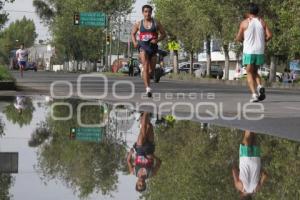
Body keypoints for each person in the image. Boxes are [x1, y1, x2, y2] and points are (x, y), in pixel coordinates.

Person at [235, 3, 272, 102]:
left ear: (248, 12)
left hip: (249, 51)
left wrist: (243, 40)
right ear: (257, 12)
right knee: (255, 71)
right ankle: (260, 86)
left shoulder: (244, 23)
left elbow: (238, 38)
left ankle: (254, 95)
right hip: (260, 50)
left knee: (249, 72)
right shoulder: (262, 22)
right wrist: (263, 41)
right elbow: (269, 35)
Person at [131, 4, 166, 97]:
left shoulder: (156, 23)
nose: (147, 13)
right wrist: (135, 42)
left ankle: (144, 72)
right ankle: (148, 89)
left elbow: (163, 34)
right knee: (146, 66)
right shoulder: (139, 23)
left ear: (151, 12)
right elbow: (133, 33)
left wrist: (157, 40)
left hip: (153, 48)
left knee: (151, 71)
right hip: (143, 46)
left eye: (149, 12)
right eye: (146, 12)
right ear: (143, 13)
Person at [127, 112, 161, 192]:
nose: (141, 183)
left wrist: (130, 153)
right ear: (145, 184)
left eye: (139, 185)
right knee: (149, 126)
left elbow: (128, 161)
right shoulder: (152, 174)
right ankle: (142, 116)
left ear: (137, 183)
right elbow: (159, 162)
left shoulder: (133, 172)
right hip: (150, 149)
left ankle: (146, 111)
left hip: (140, 149)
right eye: (142, 185)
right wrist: (153, 156)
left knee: (143, 129)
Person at [232, 131, 268, 199]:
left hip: (256, 161)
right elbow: (234, 170)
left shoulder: (256, 189)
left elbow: (265, 175)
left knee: (254, 137)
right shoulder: (239, 187)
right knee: (247, 137)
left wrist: (259, 172)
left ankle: (257, 120)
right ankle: (249, 120)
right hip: (245, 160)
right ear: (241, 197)